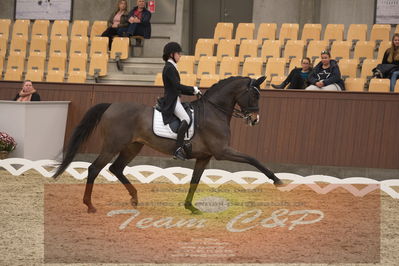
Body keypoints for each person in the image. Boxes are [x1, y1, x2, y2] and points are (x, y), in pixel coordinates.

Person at [159, 42, 201, 161]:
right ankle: (178, 149)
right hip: (171, 100)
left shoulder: (172, 66)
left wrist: (194, 92)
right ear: (172, 54)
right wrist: (193, 89)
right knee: (186, 119)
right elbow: (177, 86)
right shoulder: (169, 67)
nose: (180, 55)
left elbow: (177, 88)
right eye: (178, 53)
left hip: (175, 97)